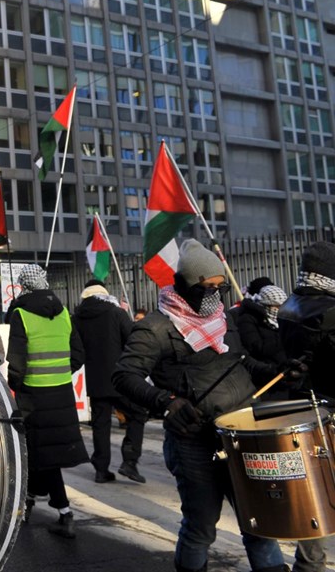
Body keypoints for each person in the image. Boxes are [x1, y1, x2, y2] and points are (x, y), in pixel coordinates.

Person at [113, 239, 288, 572]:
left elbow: (240, 362)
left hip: (242, 434)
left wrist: (279, 372)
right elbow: (124, 376)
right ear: (187, 285)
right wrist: (166, 402)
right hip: (196, 444)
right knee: (201, 527)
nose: (216, 296)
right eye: (208, 288)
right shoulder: (155, 327)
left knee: (260, 522)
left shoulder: (224, 317)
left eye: (221, 288)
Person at [5, 264, 88, 539]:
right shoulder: (64, 312)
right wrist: (61, 373)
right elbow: (78, 353)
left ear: (24, 286)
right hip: (62, 393)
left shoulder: (21, 314)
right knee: (44, 454)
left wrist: (15, 385)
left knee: (38, 453)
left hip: (34, 396)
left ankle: (60, 512)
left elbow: (17, 358)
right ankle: (39, 504)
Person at [277, 241, 335, 572]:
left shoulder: (289, 304)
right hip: (328, 408)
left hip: (300, 408)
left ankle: (309, 563)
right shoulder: (328, 311)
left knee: (313, 488)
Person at [72, 282, 146, 484]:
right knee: (137, 413)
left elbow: (76, 348)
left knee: (100, 424)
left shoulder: (77, 318)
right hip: (120, 377)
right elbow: (132, 341)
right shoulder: (117, 313)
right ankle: (129, 461)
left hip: (95, 380)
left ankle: (101, 469)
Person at [235, 284, 290, 400]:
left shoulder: (280, 320)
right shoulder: (247, 319)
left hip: (284, 377)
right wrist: (283, 337)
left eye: (282, 306)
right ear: (264, 305)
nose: (279, 310)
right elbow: (256, 347)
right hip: (264, 379)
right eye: (276, 307)